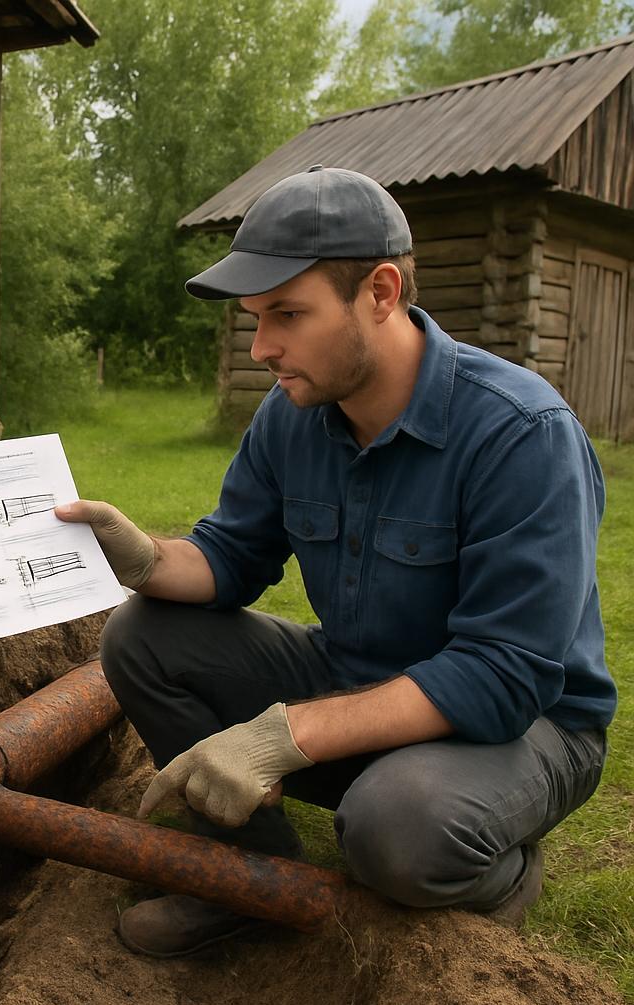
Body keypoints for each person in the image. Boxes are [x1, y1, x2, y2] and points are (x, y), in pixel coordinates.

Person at [55, 166, 616, 959]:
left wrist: (285, 736)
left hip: (527, 724)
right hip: (359, 678)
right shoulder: (294, 414)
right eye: (255, 318)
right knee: (143, 635)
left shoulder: (522, 435)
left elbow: (506, 674)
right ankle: (254, 875)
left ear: (381, 292)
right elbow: (231, 555)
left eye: (287, 314)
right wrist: (144, 558)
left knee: (399, 828)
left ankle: (500, 868)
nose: (262, 348)